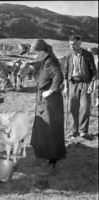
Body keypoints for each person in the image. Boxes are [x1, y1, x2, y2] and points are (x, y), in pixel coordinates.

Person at [30, 39, 66, 174]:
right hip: (45, 100)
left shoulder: (50, 61)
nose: (35, 56)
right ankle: (45, 154)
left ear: (41, 51)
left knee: (51, 129)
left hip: (51, 102)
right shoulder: (45, 61)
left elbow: (58, 76)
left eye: (35, 53)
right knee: (43, 128)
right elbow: (46, 77)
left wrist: (50, 91)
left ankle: (53, 160)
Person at [63, 35, 97, 138]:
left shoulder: (88, 55)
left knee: (85, 108)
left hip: (85, 84)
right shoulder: (69, 55)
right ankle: (74, 131)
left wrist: (91, 85)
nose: (72, 46)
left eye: (74, 44)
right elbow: (65, 72)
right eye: (70, 45)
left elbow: (93, 72)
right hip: (72, 84)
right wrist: (66, 87)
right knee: (72, 108)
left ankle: (83, 131)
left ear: (80, 42)